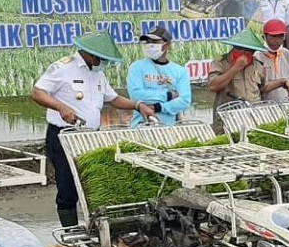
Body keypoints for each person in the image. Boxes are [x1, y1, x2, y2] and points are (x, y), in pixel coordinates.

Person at [31, 32, 155, 227]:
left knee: (94, 185)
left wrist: (138, 105)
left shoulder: (98, 73)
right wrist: (61, 107)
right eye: (101, 58)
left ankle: (95, 228)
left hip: (90, 138)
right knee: (68, 188)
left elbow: (112, 99)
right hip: (64, 137)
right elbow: (37, 92)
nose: (103, 62)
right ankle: (70, 232)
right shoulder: (63, 68)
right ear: (89, 54)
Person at [208, 27, 289, 132]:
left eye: (249, 51)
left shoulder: (258, 65)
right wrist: (235, 68)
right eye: (240, 49)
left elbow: (263, 87)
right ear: (234, 48)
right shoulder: (221, 63)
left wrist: (282, 82)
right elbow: (213, 86)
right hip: (228, 117)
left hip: (253, 116)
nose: (245, 53)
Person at [126, 26, 191, 127]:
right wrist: (168, 96)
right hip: (141, 126)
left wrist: (157, 107)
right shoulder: (137, 67)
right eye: (148, 41)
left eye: (155, 41)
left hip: (169, 129)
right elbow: (136, 95)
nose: (150, 45)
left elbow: (184, 101)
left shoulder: (180, 71)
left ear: (167, 45)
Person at [253, 19, 289, 101]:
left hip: (285, 101)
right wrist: (283, 82)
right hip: (266, 104)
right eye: (273, 36)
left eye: (280, 36)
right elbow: (259, 87)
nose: (277, 41)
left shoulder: (285, 53)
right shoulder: (258, 56)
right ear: (264, 37)